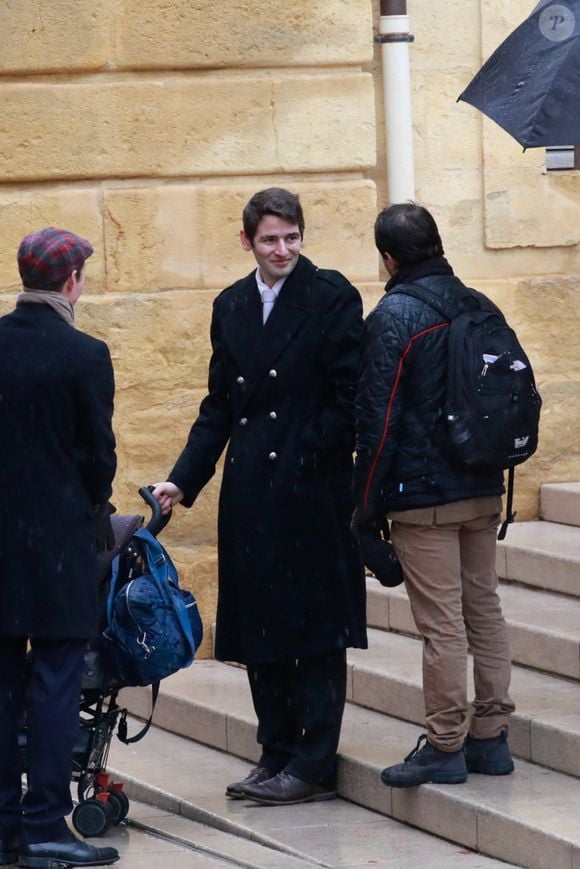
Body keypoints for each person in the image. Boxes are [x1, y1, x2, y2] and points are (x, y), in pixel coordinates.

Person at [154, 187, 367, 806]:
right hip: (251, 492)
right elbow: (220, 404)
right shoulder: (231, 304)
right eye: (271, 239)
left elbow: (350, 396)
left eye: (292, 238)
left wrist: (309, 453)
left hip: (311, 491)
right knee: (262, 627)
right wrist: (183, 479)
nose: (283, 250)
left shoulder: (331, 296)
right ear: (247, 240)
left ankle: (313, 760)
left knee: (317, 629)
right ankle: (274, 750)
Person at [353, 203, 515, 788]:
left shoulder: (395, 314)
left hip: (422, 497)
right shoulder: (478, 302)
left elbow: (379, 419)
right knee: (484, 609)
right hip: (481, 484)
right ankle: (492, 738)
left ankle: (446, 744)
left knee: (442, 625)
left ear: (389, 257)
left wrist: (365, 506)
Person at [0, 228, 119, 866]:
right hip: (56, 546)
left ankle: (3, 827)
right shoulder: (84, 354)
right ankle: (45, 822)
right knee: (53, 682)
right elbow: (99, 454)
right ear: (71, 281)